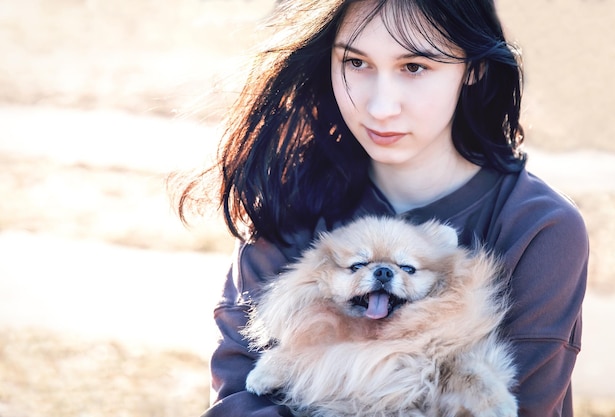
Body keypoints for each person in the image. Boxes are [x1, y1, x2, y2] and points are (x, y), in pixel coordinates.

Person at [174, 0, 589, 416]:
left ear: (474, 69)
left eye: (414, 67)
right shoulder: (288, 200)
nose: (380, 107)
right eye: (356, 62)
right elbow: (239, 399)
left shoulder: (540, 229)